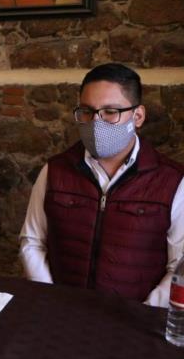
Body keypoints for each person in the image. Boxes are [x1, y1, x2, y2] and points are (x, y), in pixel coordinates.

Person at [20, 63, 184, 308]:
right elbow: (32, 242)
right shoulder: (55, 171)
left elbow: (179, 266)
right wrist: (50, 299)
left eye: (110, 111)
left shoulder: (172, 181)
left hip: (134, 320)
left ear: (137, 116)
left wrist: (144, 313)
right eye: (87, 111)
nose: (96, 122)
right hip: (60, 311)